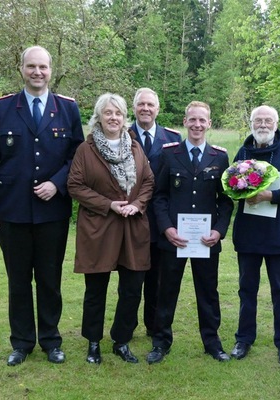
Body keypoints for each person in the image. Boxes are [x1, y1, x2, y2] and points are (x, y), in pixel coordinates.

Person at [0, 46, 84, 366]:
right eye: (31, 67)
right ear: (21, 69)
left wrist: (58, 183)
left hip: (52, 212)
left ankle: (51, 340)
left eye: (43, 67)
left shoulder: (67, 108)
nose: (37, 72)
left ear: (51, 70)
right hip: (12, 211)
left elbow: (77, 157)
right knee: (19, 279)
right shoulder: (3, 108)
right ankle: (22, 342)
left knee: (50, 279)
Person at [67, 93, 155, 364]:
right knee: (96, 290)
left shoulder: (136, 147)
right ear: (99, 117)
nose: (113, 118)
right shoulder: (86, 149)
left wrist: (137, 204)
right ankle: (93, 342)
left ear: (123, 117)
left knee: (131, 289)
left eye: (118, 113)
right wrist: (109, 204)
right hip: (99, 228)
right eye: (108, 113)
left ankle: (122, 340)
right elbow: (75, 185)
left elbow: (149, 182)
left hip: (132, 228)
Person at [146, 101, 234, 364]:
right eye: (192, 120)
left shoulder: (219, 157)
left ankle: (212, 342)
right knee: (166, 291)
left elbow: (226, 200)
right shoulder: (169, 154)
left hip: (206, 240)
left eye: (202, 120)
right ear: (184, 122)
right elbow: (159, 195)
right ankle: (160, 342)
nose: (197, 125)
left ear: (209, 123)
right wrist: (166, 228)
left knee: (208, 292)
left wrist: (219, 231)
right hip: (175, 239)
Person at [230, 105, 280, 366]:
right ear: (251, 123)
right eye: (258, 120)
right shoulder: (242, 153)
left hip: (279, 236)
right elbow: (231, 189)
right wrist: (240, 193)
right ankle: (244, 339)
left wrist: (270, 196)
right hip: (249, 236)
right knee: (246, 290)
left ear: (276, 123)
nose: (263, 124)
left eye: (268, 120)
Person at [128, 88, 182, 337]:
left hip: (160, 219)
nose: (146, 109)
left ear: (158, 109)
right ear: (134, 107)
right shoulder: (121, 134)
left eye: (150, 104)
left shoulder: (172, 138)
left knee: (157, 278)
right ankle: (126, 326)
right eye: (141, 104)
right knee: (131, 277)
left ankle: (153, 326)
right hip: (129, 218)